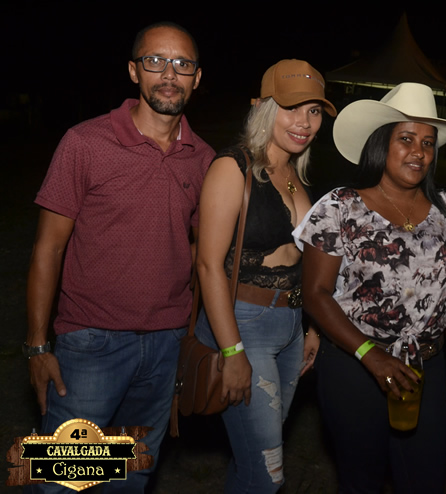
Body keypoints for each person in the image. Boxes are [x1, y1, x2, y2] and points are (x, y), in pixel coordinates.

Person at [24, 21, 214, 492]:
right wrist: (37, 346)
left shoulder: (203, 158)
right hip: (91, 343)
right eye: (155, 61)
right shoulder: (85, 142)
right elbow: (48, 248)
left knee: (130, 476)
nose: (168, 74)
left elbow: (201, 248)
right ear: (134, 71)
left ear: (196, 77)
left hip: (166, 345)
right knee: (65, 482)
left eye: (181, 64)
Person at [296, 82, 446, 494]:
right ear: (381, 143)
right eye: (406, 139)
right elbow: (316, 294)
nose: (419, 152)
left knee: (425, 480)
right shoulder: (340, 207)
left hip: (425, 367)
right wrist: (369, 355)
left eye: (428, 143)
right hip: (354, 366)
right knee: (362, 481)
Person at [193, 59, 336, 493]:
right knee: (268, 472)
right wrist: (232, 350)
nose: (304, 122)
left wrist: (311, 328)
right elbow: (207, 264)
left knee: (252, 461)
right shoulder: (232, 167)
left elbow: (304, 262)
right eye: (291, 108)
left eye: (314, 111)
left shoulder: (295, 175)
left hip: (290, 327)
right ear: (263, 107)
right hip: (244, 324)